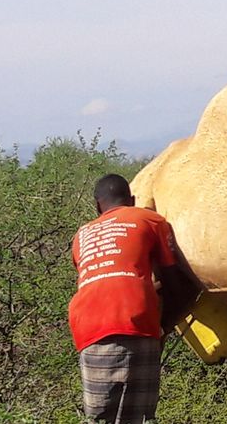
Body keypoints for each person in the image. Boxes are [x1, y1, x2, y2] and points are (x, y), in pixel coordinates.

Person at [68, 174, 201, 423]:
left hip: (86, 327)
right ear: (132, 200)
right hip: (133, 318)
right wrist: (164, 326)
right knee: (136, 416)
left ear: (98, 206)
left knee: (99, 417)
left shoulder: (81, 236)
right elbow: (176, 285)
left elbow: (102, 280)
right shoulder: (149, 220)